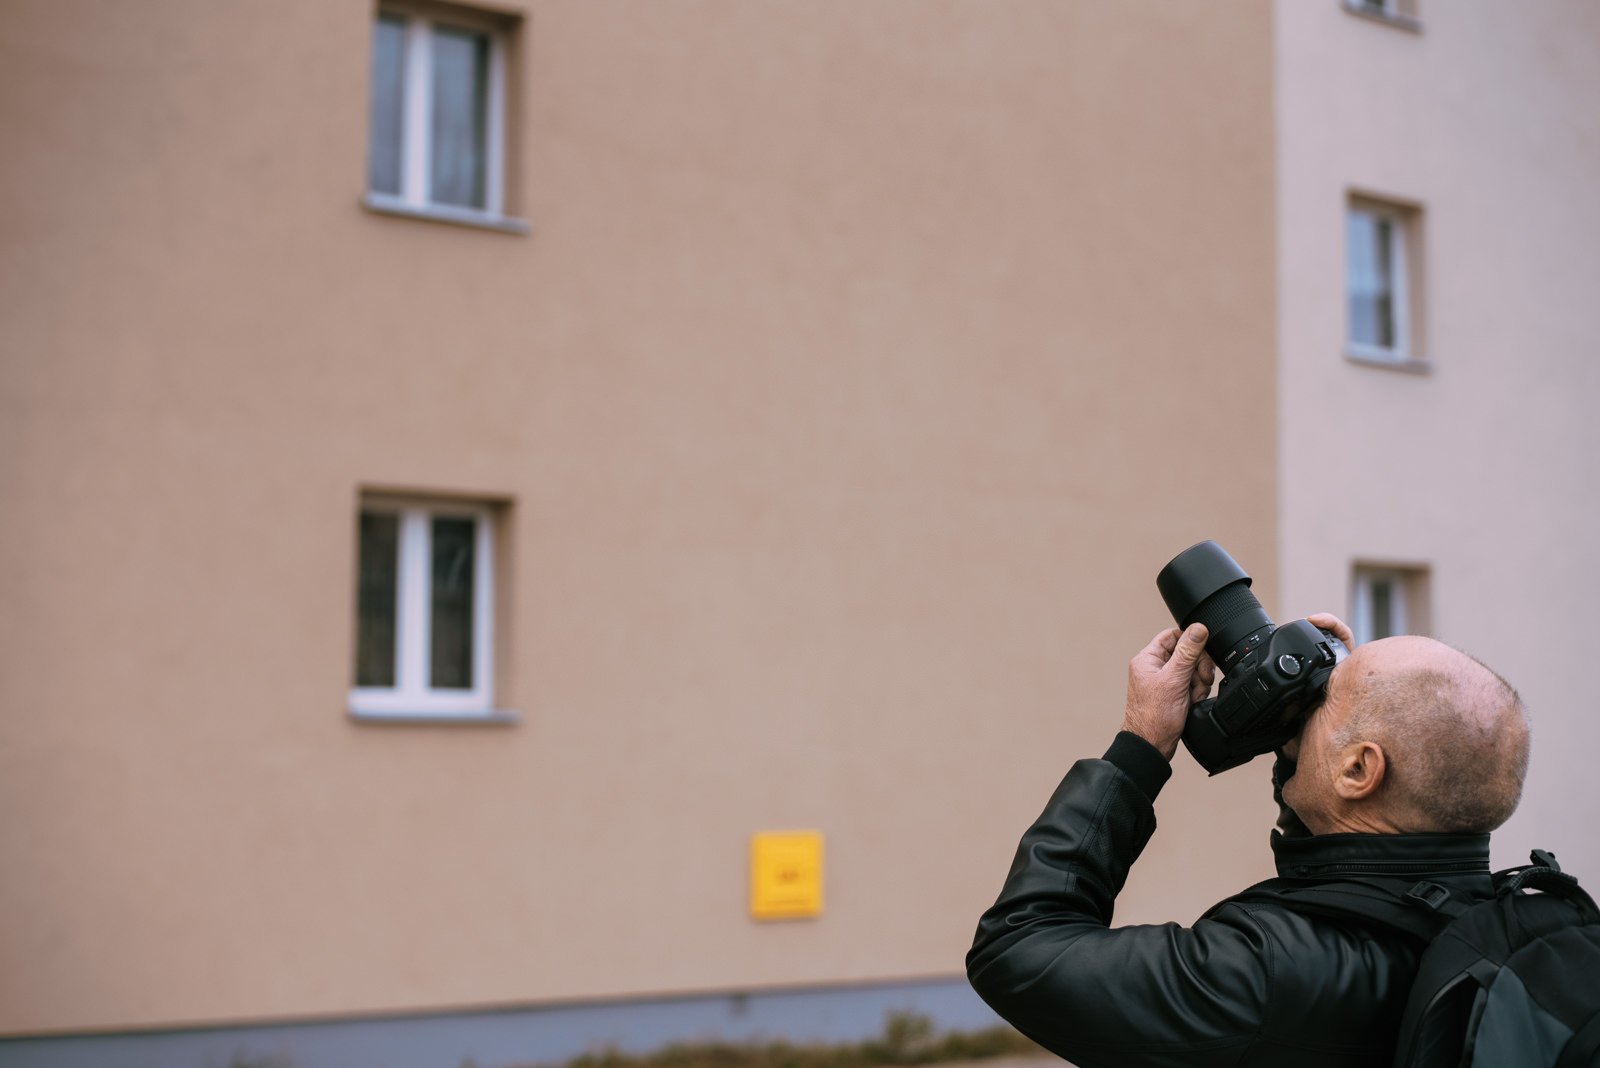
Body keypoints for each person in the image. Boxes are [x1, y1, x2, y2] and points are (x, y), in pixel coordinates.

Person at [966, 613, 1531, 1068]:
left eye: (1330, 690)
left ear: (1359, 771)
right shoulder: (1510, 927)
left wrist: (1140, 747)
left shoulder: (1268, 972)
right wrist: (1305, 750)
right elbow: (1341, 859)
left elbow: (1018, 950)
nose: (1311, 699)